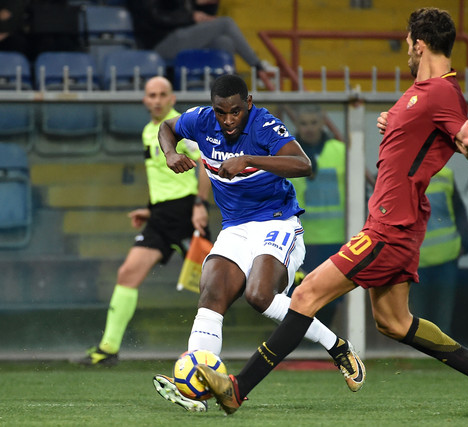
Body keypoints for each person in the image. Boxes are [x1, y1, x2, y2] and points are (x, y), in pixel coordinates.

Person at [195, 7, 468, 418]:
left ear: (418, 44)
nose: (406, 50)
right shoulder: (419, 93)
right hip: (396, 222)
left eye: (407, 43)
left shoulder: (441, 91)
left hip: (391, 225)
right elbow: (430, 136)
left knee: (306, 294)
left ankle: (238, 389)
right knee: (395, 322)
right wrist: (395, 124)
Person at [151, 74, 365, 412]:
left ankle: (336, 346)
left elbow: (303, 164)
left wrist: (251, 160)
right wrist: (168, 152)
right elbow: (167, 127)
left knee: (259, 296)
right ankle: (197, 379)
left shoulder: (264, 125)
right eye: (221, 112)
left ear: (248, 104)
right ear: (213, 109)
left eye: (236, 111)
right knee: (211, 294)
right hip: (235, 228)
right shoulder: (200, 121)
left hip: (276, 221)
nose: (228, 120)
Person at [78, 76, 210, 366]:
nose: (158, 99)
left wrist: (200, 205)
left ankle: (287, 278)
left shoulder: (181, 126)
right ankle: (108, 350)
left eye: (163, 94)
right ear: (145, 100)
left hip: (185, 214)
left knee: (222, 282)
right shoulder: (148, 131)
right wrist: (151, 211)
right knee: (127, 273)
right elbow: (163, 180)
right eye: (152, 94)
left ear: (172, 98)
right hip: (162, 216)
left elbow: (204, 165)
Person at [288, 104, 347, 326]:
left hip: (335, 238)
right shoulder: (288, 152)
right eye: (304, 123)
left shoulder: (340, 151)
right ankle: (302, 340)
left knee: (330, 297)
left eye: (314, 122)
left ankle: (321, 339)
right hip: (302, 239)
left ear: (322, 123)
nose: (309, 128)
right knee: (299, 294)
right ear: (297, 125)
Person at [126, 0, 270, 76]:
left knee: (225, 42)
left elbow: (177, 9)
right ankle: (258, 67)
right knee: (225, 23)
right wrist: (191, 17)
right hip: (159, 42)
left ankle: (225, 92)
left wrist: (199, 5)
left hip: (179, 35)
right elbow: (154, 17)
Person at [410, 166, 468, 335]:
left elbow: (459, 210)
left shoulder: (445, 174)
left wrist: (465, 243)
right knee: (419, 321)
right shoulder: (400, 174)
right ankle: (423, 356)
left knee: (442, 320)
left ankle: (443, 357)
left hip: (445, 257)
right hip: (417, 262)